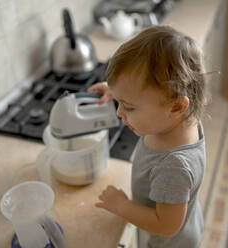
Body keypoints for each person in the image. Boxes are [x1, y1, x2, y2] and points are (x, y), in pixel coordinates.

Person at [88, 25, 208, 248]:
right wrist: (120, 92)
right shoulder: (181, 119)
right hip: (187, 219)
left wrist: (122, 206)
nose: (119, 112)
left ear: (176, 107)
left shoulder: (174, 166)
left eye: (129, 107)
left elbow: (166, 226)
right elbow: (150, 95)